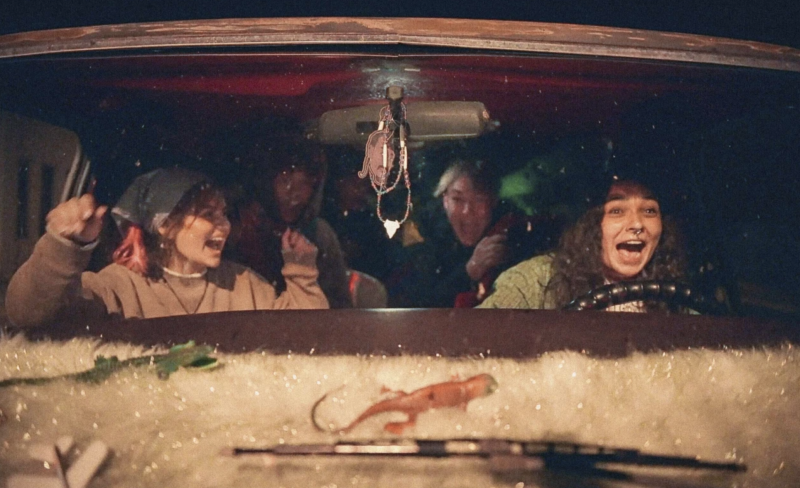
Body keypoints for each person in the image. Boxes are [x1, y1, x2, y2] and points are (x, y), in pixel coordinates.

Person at [5, 168, 328, 328]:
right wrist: (64, 245)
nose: (225, 225)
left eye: (224, 214)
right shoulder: (119, 285)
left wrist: (300, 271)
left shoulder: (243, 283)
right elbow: (28, 315)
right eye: (207, 214)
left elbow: (306, 335)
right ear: (163, 225)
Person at [479, 180, 686, 311]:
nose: (637, 224)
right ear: (590, 224)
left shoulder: (674, 295)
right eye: (617, 211)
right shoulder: (534, 282)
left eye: (649, 211)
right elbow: (474, 344)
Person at [387, 159, 559, 308]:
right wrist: (470, 270)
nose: (467, 211)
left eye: (479, 200)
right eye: (457, 199)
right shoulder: (422, 236)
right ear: (445, 200)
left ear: (493, 202)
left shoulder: (511, 235)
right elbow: (413, 304)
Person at [227, 142, 352, 308]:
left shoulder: (318, 234)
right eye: (285, 181)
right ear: (265, 182)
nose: (294, 193)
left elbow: (339, 308)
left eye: (305, 183)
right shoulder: (232, 228)